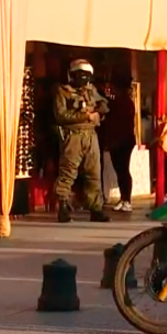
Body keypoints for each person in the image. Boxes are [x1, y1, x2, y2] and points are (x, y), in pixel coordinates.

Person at [53, 59, 110, 223]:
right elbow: (61, 115)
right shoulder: (62, 92)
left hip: (91, 135)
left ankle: (95, 208)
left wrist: (99, 110)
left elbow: (104, 104)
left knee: (94, 173)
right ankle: (63, 206)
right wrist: (85, 115)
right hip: (73, 135)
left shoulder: (91, 90)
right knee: (68, 173)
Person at [98, 79, 137, 212]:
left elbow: (119, 124)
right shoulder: (118, 103)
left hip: (123, 141)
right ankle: (123, 198)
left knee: (123, 170)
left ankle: (127, 200)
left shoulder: (123, 103)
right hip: (117, 141)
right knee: (119, 171)